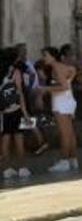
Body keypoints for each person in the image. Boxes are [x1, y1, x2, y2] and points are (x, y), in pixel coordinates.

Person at [40, 47, 79, 173]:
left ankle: (64, 161)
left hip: (61, 102)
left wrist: (45, 89)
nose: (43, 58)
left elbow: (64, 86)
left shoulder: (56, 67)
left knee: (64, 133)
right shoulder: (64, 67)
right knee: (70, 133)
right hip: (68, 100)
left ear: (52, 56)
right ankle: (73, 159)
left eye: (45, 55)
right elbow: (71, 75)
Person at [2, 48, 33, 181]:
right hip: (15, 109)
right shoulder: (15, 72)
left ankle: (6, 169)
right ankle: (22, 168)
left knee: (5, 140)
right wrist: (25, 114)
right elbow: (19, 93)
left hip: (3, 111)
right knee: (19, 138)